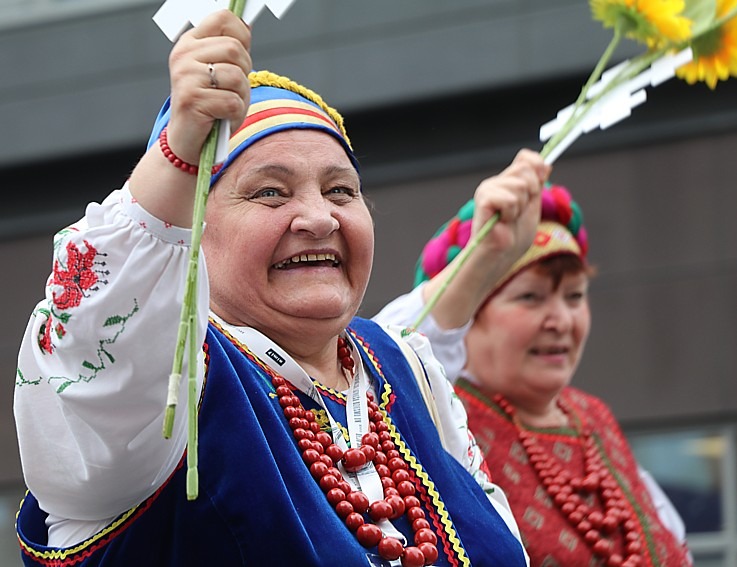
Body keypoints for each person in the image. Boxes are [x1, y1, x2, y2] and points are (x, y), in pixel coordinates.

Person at [13, 10, 552, 567]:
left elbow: (415, 330)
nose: (319, 218)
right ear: (189, 231)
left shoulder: (402, 374)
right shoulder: (163, 390)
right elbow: (103, 343)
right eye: (270, 193)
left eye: (341, 190)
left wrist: (485, 261)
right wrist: (178, 151)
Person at [375, 184, 693, 566]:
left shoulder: (593, 418)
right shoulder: (439, 420)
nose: (560, 321)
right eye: (530, 297)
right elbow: (391, 349)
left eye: (574, 296)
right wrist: (484, 257)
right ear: (466, 317)